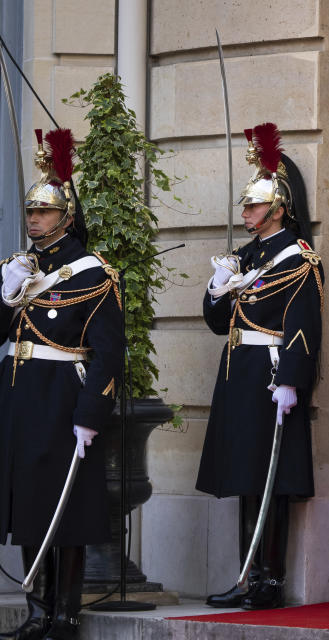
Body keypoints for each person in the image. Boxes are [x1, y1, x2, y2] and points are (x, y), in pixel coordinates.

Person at [0, 129, 122, 640]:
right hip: (21, 399)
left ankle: (65, 613)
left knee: (65, 509)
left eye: (45, 212)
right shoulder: (21, 268)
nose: (34, 219)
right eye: (31, 211)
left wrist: (91, 415)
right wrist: (7, 296)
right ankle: (35, 609)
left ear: (66, 217)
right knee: (30, 505)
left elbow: (109, 353)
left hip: (63, 399)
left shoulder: (92, 274)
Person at [197, 124, 324, 611]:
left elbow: (303, 325)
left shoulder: (298, 260)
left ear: (279, 208)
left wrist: (292, 379)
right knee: (248, 477)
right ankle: (247, 575)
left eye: (254, 205)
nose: (246, 213)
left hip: (271, 376)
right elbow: (215, 322)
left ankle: (270, 580)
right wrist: (216, 288)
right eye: (246, 206)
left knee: (271, 480)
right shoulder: (245, 256)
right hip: (239, 372)